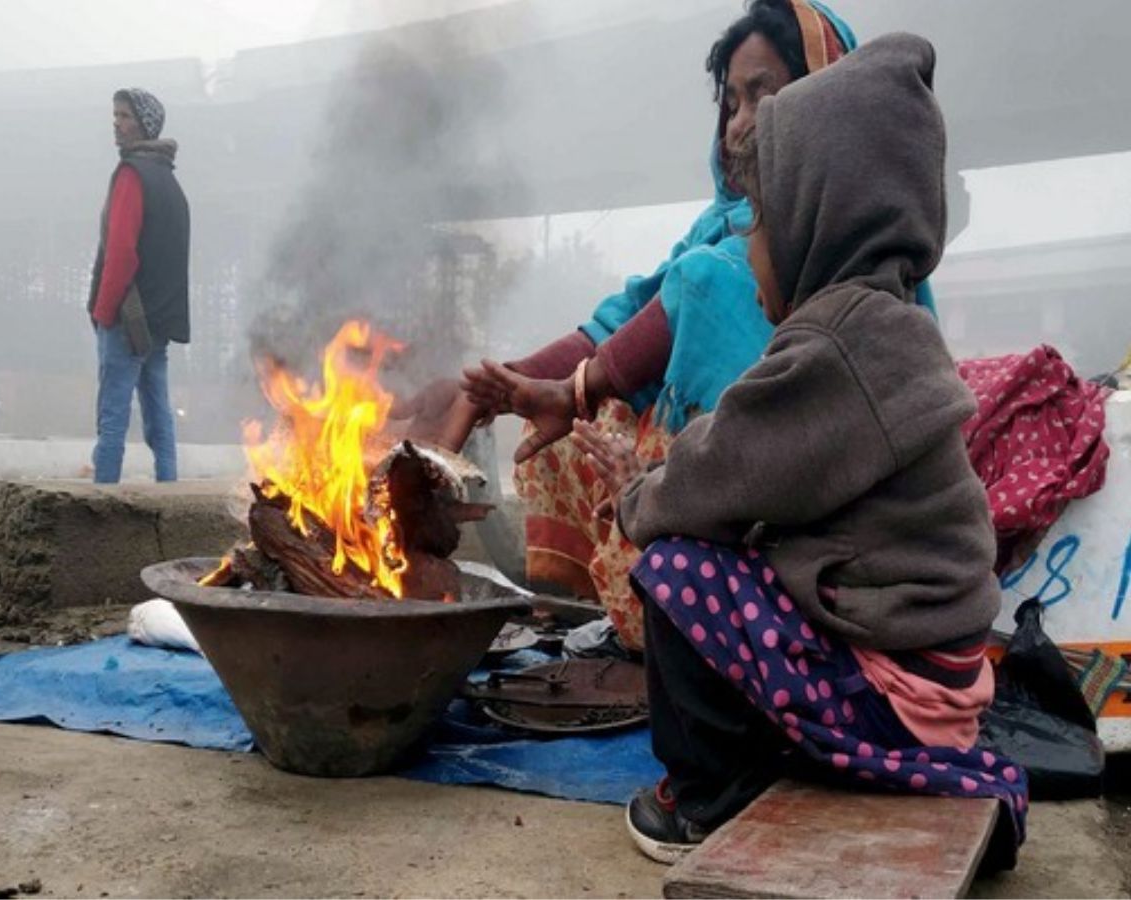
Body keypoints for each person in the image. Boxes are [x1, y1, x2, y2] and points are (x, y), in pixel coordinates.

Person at [571, 33, 1028, 867]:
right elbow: (748, 446)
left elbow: (726, 471)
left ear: (822, 219)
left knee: (678, 569)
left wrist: (641, 501)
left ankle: (709, 798)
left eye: (762, 226)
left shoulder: (838, 341)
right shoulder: (887, 325)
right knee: (724, 552)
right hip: (937, 673)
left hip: (899, 688)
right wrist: (660, 475)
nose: (748, 255)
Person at [401, 0, 934, 652]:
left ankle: (698, 618)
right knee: (575, 435)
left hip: (798, 515)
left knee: (639, 387)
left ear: (824, 100)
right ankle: (653, 608)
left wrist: (596, 422)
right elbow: (623, 322)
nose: (739, 124)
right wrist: (488, 391)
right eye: (730, 104)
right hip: (729, 477)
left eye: (761, 97)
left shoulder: (846, 259)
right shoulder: (723, 223)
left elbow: (689, 294)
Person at [87, 87, 191, 484]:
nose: (117, 124)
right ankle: (169, 489)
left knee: (112, 417)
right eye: (115, 115)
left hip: (127, 318)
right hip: (159, 321)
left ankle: (102, 498)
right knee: (158, 411)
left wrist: (103, 311)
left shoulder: (132, 176)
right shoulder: (170, 182)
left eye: (125, 116)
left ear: (145, 124)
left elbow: (121, 253)